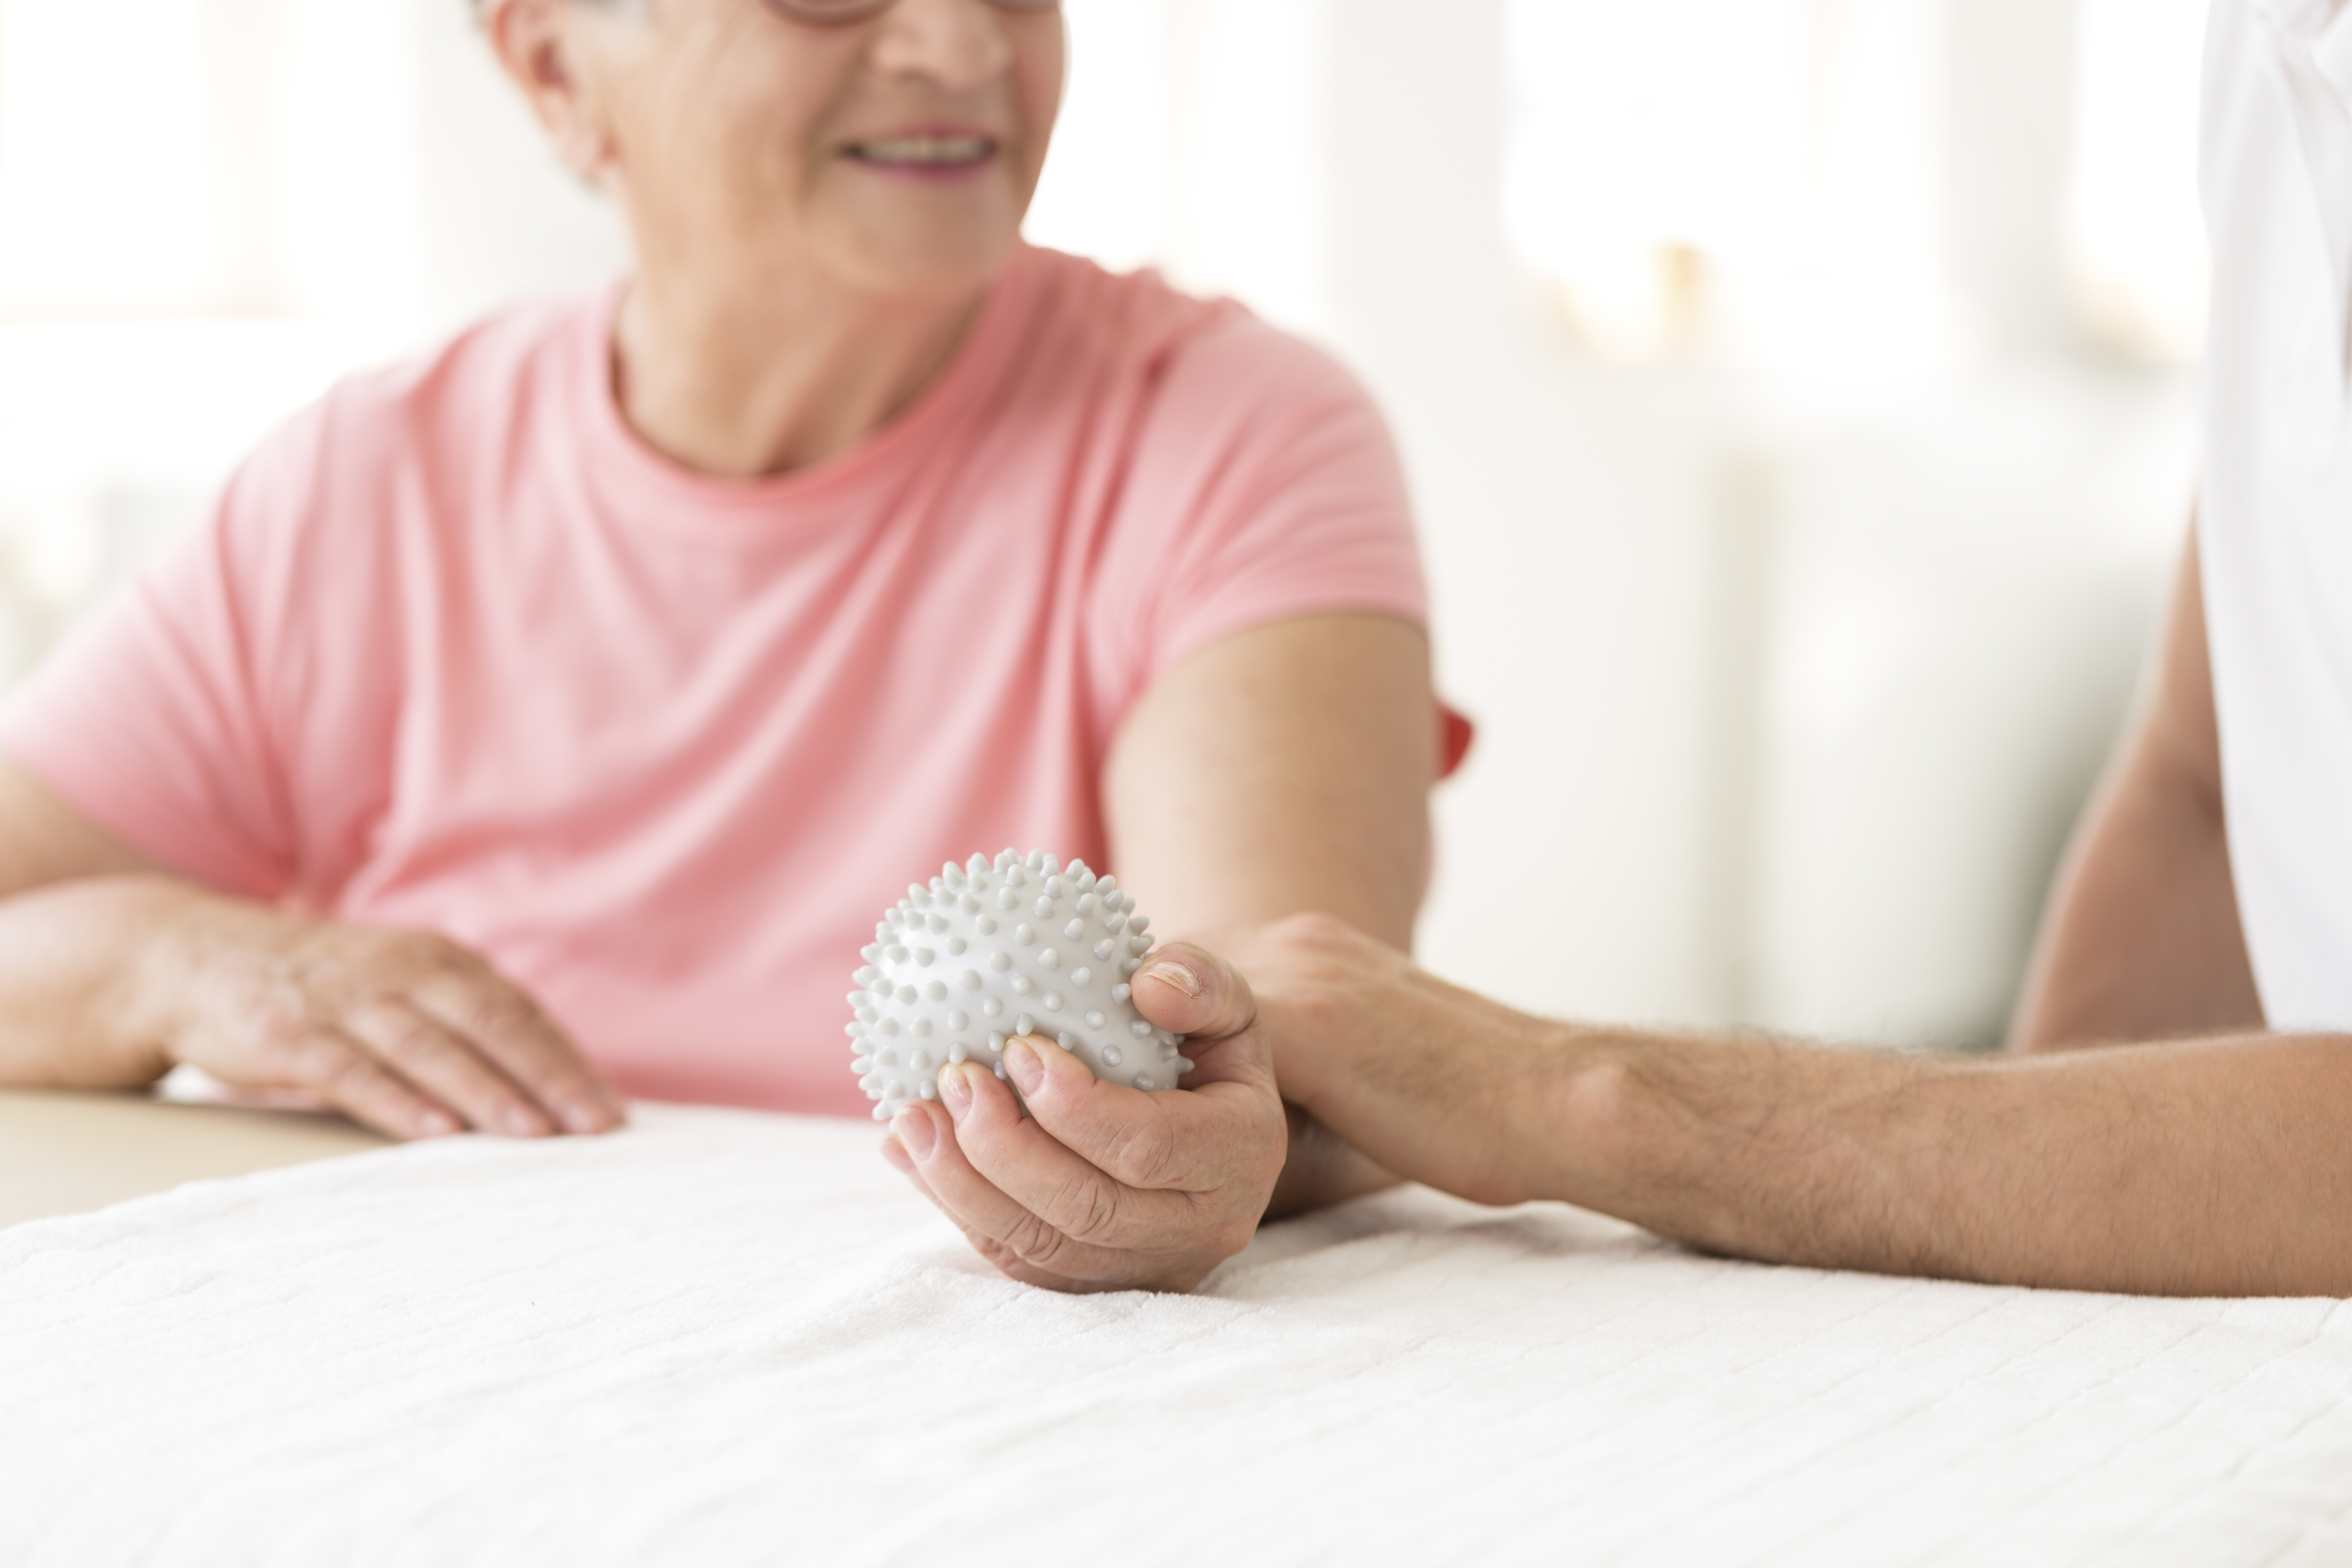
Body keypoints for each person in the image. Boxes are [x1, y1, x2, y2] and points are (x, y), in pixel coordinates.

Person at [882, 0, 2352, 1298]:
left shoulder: (1225, 418)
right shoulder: (2260, 56)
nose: (952, 41)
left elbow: (1260, 1062)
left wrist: (1580, 1093)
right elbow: (2204, 788)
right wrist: (1996, 1297)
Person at [0, 0, 1435, 1287]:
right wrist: (166, 963)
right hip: (419, 1319)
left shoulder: (1231, 429)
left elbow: (1287, 1049)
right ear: (559, 68)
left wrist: (1203, 1143)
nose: (961, 44)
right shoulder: (365, 481)